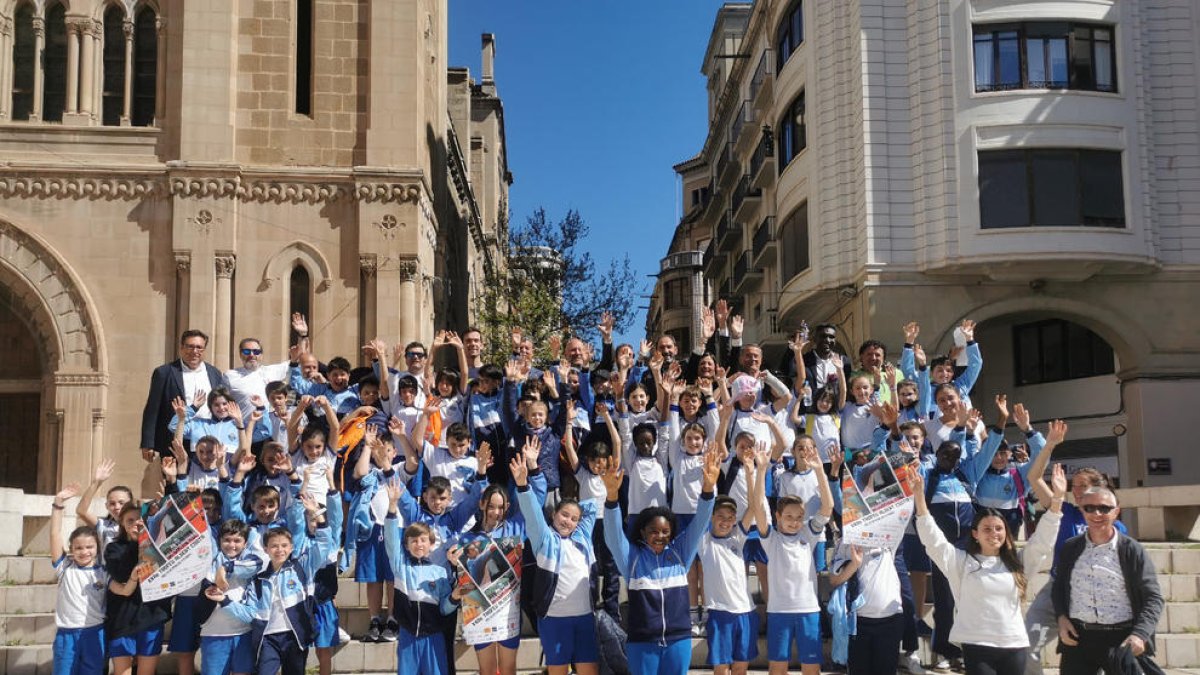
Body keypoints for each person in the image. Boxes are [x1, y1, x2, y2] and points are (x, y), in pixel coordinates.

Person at [914, 460, 1067, 675]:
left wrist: (1057, 499)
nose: (993, 533)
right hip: (976, 645)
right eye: (986, 528)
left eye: (998, 528)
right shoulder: (960, 562)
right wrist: (920, 500)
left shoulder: (1018, 563)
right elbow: (933, 541)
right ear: (975, 534)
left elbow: (1043, 540)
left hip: (1014, 644)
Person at [602, 443, 721, 675]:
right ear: (643, 533)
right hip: (642, 642)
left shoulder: (680, 554)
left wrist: (708, 488)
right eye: (654, 531)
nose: (660, 536)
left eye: (665, 532)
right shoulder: (633, 560)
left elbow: (699, 523)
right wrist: (612, 497)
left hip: (679, 640)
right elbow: (613, 535)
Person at [1052, 486, 1165, 675]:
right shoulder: (1070, 547)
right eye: (1089, 508)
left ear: (1116, 511)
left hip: (1121, 638)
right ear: (1081, 510)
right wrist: (1061, 618)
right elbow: (1058, 588)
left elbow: (1153, 598)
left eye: (1104, 508)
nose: (1097, 513)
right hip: (1079, 638)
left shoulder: (1131, 550)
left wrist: (1140, 634)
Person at [515, 446, 601, 675]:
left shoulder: (582, 537)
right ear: (553, 514)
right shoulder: (545, 540)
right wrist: (525, 485)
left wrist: (574, 506)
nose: (568, 521)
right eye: (564, 515)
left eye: (574, 519)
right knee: (558, 670)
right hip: (554, 619)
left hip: (584, 617)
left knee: (590, 669)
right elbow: (532, 514)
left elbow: (591, 508)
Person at [383, 483, 470, 675]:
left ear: (431, 544)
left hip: (434, 637)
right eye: (413, 541)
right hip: (408, 637)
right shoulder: (401, 567)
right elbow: (390, 539)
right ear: (406, 545)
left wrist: (454, 596)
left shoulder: (439, 572)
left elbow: (445, 608)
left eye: (423, 540)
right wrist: (392, 506)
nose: (418, 544)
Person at [140, 329, 229, 461]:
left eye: (199, 347)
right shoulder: (164, 373)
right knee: (176, 480)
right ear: (181, 348)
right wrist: (148, 443)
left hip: (209, 440)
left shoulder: (214, 373)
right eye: (190, 346)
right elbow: (152, 409)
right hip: (176, 440)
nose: (194, 351)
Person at [105, 503, 171, 675]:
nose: (136, 524)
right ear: (122, 523)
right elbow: (120, 575)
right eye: (130, 520)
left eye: (140, 520)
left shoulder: (159, 545)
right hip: (122, 619)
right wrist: (138, 542)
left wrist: (147, 537)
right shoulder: (113, 548)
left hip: (151, 617)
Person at [50, 483, 108, 675]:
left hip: (95, 632)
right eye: (79, 548)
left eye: (89, 547)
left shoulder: (104, 571)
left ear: (97, 548)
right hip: (66, 634)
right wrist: (58, 503)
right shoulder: (64, 567)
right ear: (71, 549)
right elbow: (55, 533)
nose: (84, 552)